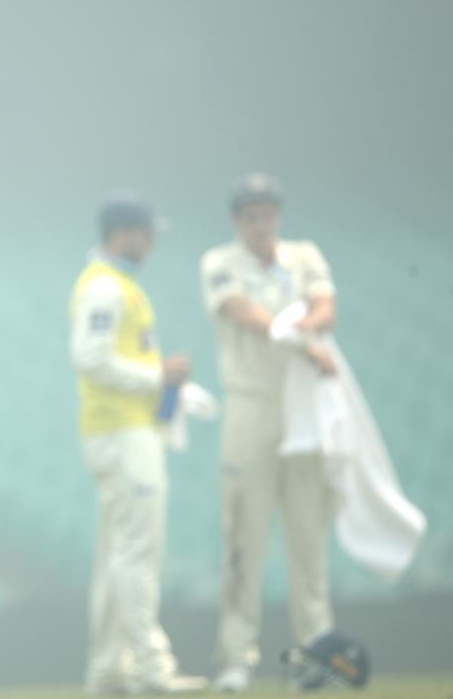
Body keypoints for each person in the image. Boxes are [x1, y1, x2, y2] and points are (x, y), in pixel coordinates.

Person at [200, 174, 338, 693]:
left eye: (267, 213)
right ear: (238, 221)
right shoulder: (220, 263)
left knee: (308, 537)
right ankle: (236, 658)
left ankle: (316, 652)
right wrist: (303, 342)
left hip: (303, 410)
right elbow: (245, 314)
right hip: (251, 407)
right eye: (250, 215)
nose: (261, 223)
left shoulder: (303, 256)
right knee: (244, 536)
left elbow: (327, 307)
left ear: (277, 216)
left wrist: (305, 333)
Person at [69, 196, 208, 696]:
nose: (149, 243)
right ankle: (151, 669)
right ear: (123, 233)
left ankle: (109, 670)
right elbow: (91, 357)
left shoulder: (117, 285)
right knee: (137, 553)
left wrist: (171, 387)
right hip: (123, 435)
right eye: (145, 233)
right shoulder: (107, 287)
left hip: (121, 431)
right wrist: (159, 375)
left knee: (117, 556)